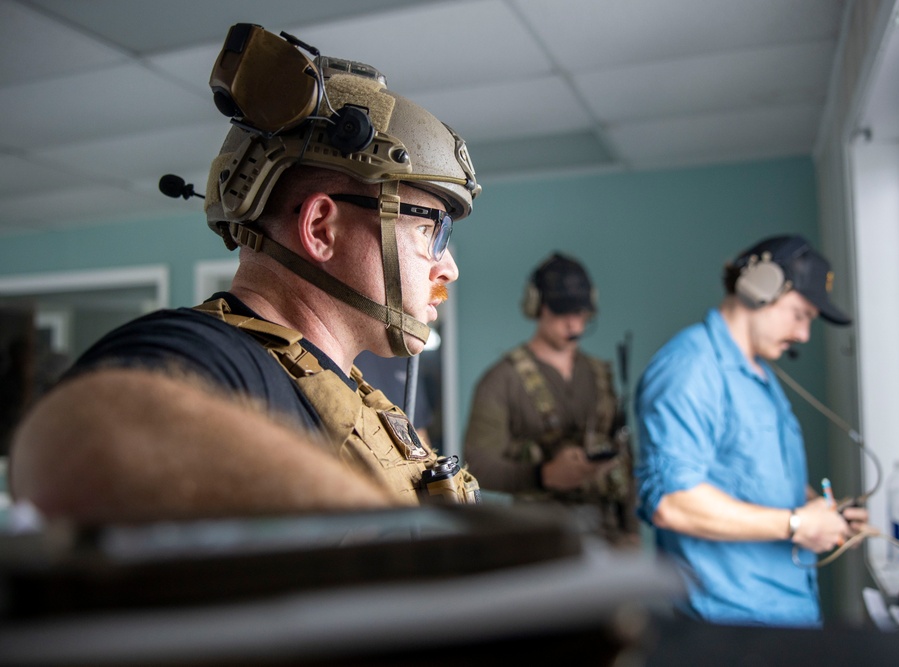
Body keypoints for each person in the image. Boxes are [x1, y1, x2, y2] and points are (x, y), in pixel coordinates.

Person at [7, 23, 482, 523]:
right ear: (322, 228)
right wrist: (374, 521)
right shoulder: (221, 355)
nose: (447, 266)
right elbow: (74, 440)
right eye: (434, 233)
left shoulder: (342, 386)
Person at [634, 235, 869, 627]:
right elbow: (672, 502)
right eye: (800, 314)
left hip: (786, 609)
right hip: (728, 622)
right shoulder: (690, 368)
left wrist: (824, 512)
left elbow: (758, 477)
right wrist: (797, 524)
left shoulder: (760, 373)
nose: (804, 335)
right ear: (758, 289)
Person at [463, 253, 638, 546]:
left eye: (581, 313)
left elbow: (626, 458)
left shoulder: (601, 376)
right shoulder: (501, 379)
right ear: (537, 307)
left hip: (609, 537)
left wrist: (632, 531)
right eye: (562, 312)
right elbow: (477, 465)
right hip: (538, 540)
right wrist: (542, 475)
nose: (574, 325)